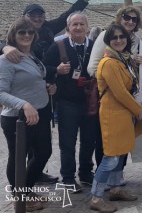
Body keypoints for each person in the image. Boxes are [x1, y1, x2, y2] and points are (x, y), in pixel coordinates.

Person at [0, 0, 101, 184]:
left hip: (45, 98)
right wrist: (6, 46)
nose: (34, 24)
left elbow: (72, 11)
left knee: (41, 146)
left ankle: (34, 176)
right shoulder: (13, 48)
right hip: (22, 103)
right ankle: (23, 191)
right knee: (23, 149)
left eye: (39, 16)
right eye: (31, 17)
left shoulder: (47, 31)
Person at [0, 18, 57, 211]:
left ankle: (24, 192)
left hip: (39, 113)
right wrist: (24, 104)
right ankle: (20, 198)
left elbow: (33, 80)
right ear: (13, 36)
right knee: (18, 157)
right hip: (17, 117)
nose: (26, 35)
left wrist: (47, 87)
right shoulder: (6, 59)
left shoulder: (32, 56)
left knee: (43, 153)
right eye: (21, 32)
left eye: (30, 32)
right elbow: (0, 92)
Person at [89, 24, 142, 213]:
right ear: (108, 41)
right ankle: (96, 197)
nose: (119, 40)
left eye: (122, 37)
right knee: (110, 157)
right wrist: (138, 109)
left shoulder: (122, 59)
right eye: (114, 38)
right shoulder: (109, 62)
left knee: (120, 153)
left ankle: (116, 189)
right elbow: (120, 92)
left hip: (122, 113)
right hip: (113, 114)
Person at [43, 12, 97, 193]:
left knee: (89, 140)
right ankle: (67, 177)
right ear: (69, 27)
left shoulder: (94, 46)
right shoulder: (59, 46)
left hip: (90, 101)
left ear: (87, 27)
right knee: (68, 142)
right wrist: (56, 70)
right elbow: (44, 68)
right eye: (75, 24)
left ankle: (86, 173)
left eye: (82, 24)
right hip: (67, 102)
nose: (79, 28)